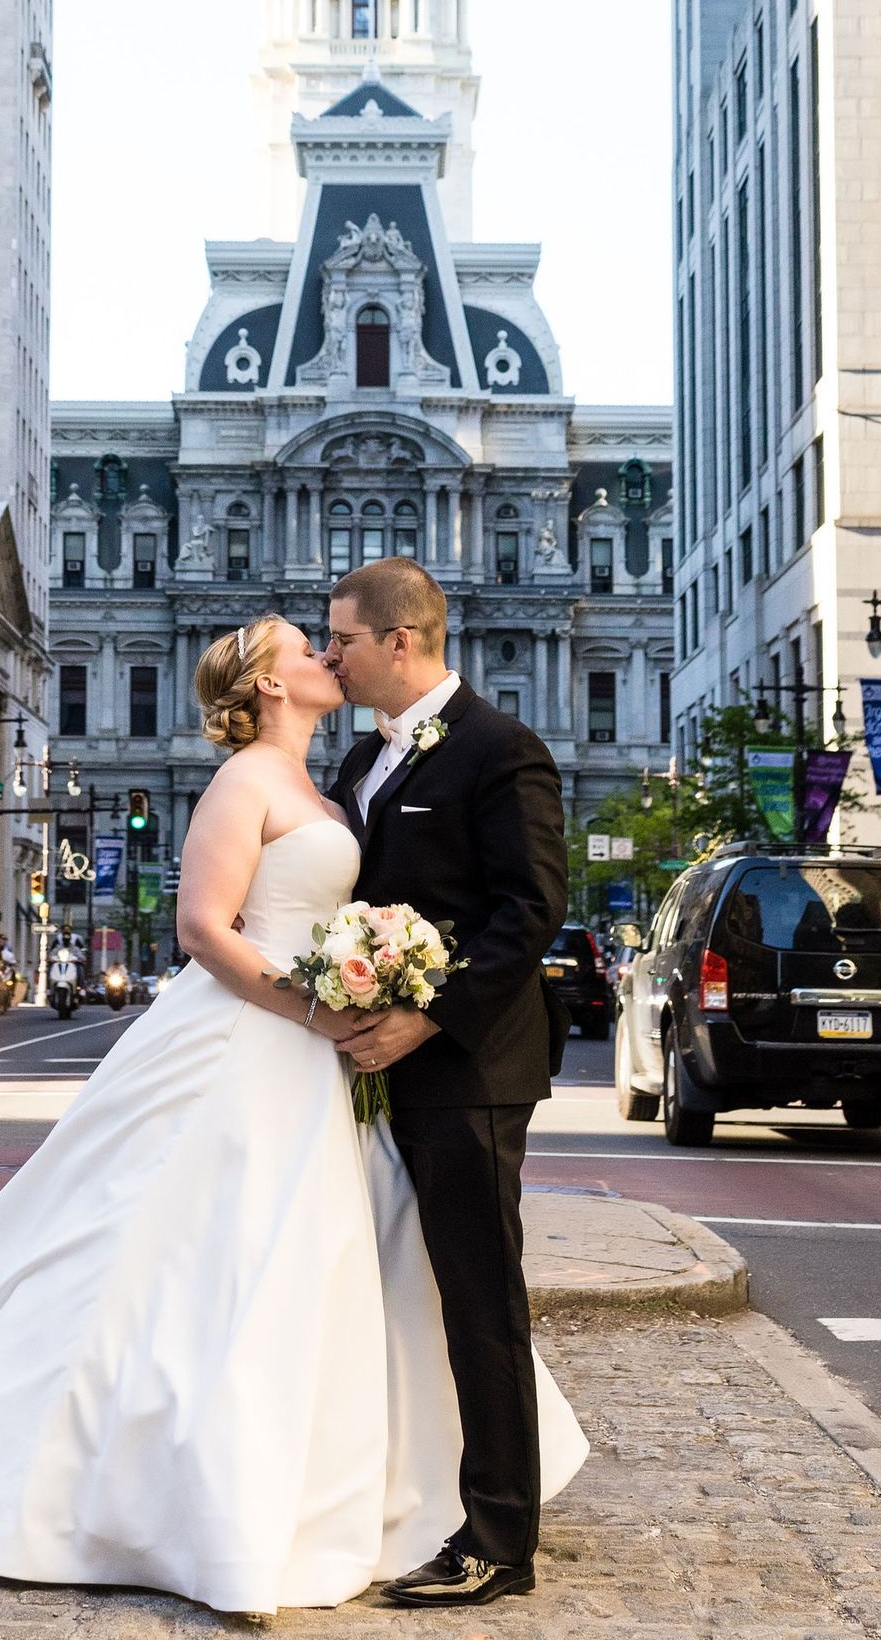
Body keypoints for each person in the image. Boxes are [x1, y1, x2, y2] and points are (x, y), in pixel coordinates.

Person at [0, 615, 582, 1614]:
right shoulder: (248, 779)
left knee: (324, 1260)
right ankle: (163, 1491)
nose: (323, 655)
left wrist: (379, 982)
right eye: (306, 647)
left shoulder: (336, 777)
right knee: (186, 1255)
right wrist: (318, 1004)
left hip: (321, 1059)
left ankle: (351, 1489)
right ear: (265, 685)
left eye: (332, 639)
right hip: (258, 1039)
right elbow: (202, 928)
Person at [326, 558, 571, 1608]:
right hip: (379, 1070)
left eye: (340, 638)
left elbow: (529, 909)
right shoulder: (358, 761)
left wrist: (428, 1015)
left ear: (400, 640)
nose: (328, 654)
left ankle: (501, 1541)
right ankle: (413, 1500)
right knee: (401, 1297)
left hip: (469, 1068)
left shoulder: (499, 749)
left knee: (480, 1302)